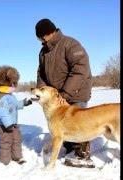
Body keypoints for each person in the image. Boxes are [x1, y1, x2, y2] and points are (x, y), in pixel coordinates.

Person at [35, 18, 94, 168]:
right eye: (40, 37)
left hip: (76, 91)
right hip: (57, 95)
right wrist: (42, 91)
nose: (42, 39)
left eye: (44, 35)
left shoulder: (70, 44)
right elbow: (41, 74)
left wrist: (65, 93)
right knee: (63, 124)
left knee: (80, 124)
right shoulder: (44, 51)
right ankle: (69, 149)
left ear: (51, 32)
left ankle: (82, 156)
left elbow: (81, 68)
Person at [0, 66, 32, 165]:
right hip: (2, 125)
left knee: (16, 139)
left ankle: (17, 157)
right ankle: (5, 160)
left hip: (13, 123)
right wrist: (8, 124)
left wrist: (23, 103)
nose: (14, 86)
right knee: (5, 141)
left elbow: (14, 105)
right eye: (13, 83)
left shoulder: (10, 95)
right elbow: (2, 112)